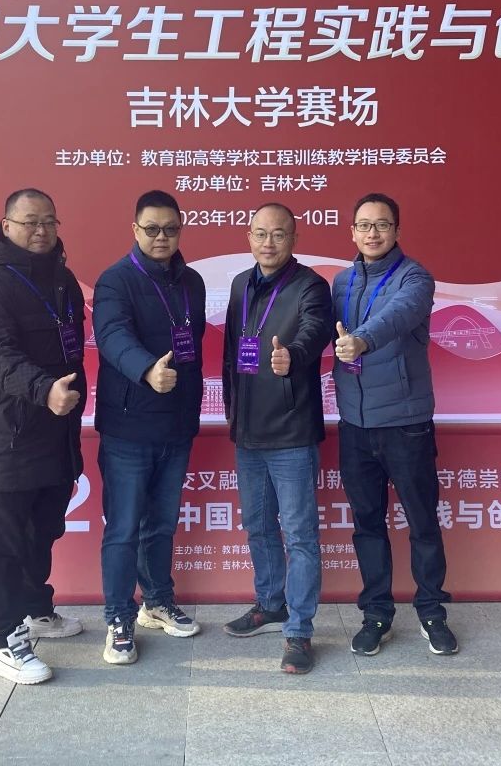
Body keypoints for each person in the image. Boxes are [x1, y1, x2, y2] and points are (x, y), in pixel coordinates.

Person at [0, 188, 88, 686]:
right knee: (2, 543)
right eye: (30, 221)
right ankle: (2, 641)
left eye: (49, 221)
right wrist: (43, 390)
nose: (41, 230)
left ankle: (37, 609)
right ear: (7, 226)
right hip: (11, 435)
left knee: (42, 530)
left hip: (57, 432)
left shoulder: (63, 279)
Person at [331, 193, 458, 657]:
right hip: (354, 426)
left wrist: (362, 341)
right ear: (352, 232)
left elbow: (397, 316)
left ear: (397, 231)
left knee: (422, 522)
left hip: (406, 424)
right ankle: (376, 614)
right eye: (364, 225)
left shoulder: (415, 277)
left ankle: (432, 612)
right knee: (367, 525)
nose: (372, 233)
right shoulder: (341, 282)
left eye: (382, 225)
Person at [92, 190, 206, 664]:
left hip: (176, 426)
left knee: (160, 523)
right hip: (129, 427)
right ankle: (118, 617)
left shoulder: (192, 281)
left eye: (170, 229)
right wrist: (145, 370)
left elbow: (193, 345)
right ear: (135, 230)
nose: (162, 237)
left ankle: (156, 602)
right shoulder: (115, 280)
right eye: (152, 229)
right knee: (123, 528)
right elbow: (111, 335)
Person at [220, 204, 332, 674]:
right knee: (259, 527)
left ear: (294, 238)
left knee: (300, 535)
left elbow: (315, 332)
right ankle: (270, 604)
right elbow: (231, 352)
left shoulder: (311, 286)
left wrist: (294, 357)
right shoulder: (240, 285)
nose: (269, 243)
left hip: (290, 433)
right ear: (248, 237)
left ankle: (299, 631)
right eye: (261, 234)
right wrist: (232, 414)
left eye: (279, 234)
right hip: (248, 433)